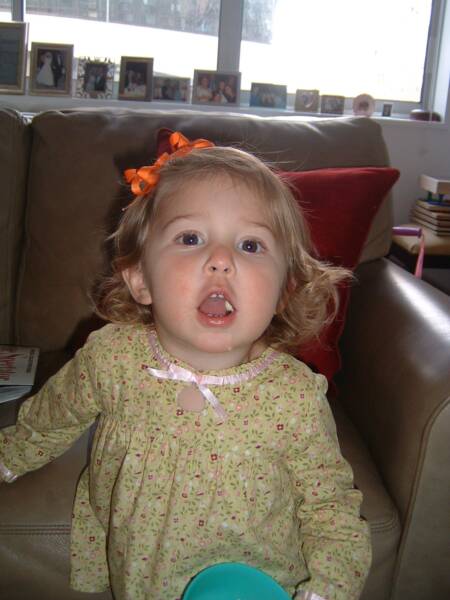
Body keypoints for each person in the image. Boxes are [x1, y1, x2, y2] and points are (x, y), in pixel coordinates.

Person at [0, 131, 371, 600]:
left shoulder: (294, 397)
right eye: (190, 238)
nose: (221, 260)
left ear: (285, 290)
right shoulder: (112, 358)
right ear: (141, 279)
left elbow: (330, 506)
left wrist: (327, 590)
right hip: (139, 576)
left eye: (251, 245)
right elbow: (54, 415)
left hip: (254, 584)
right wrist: (9, 456)